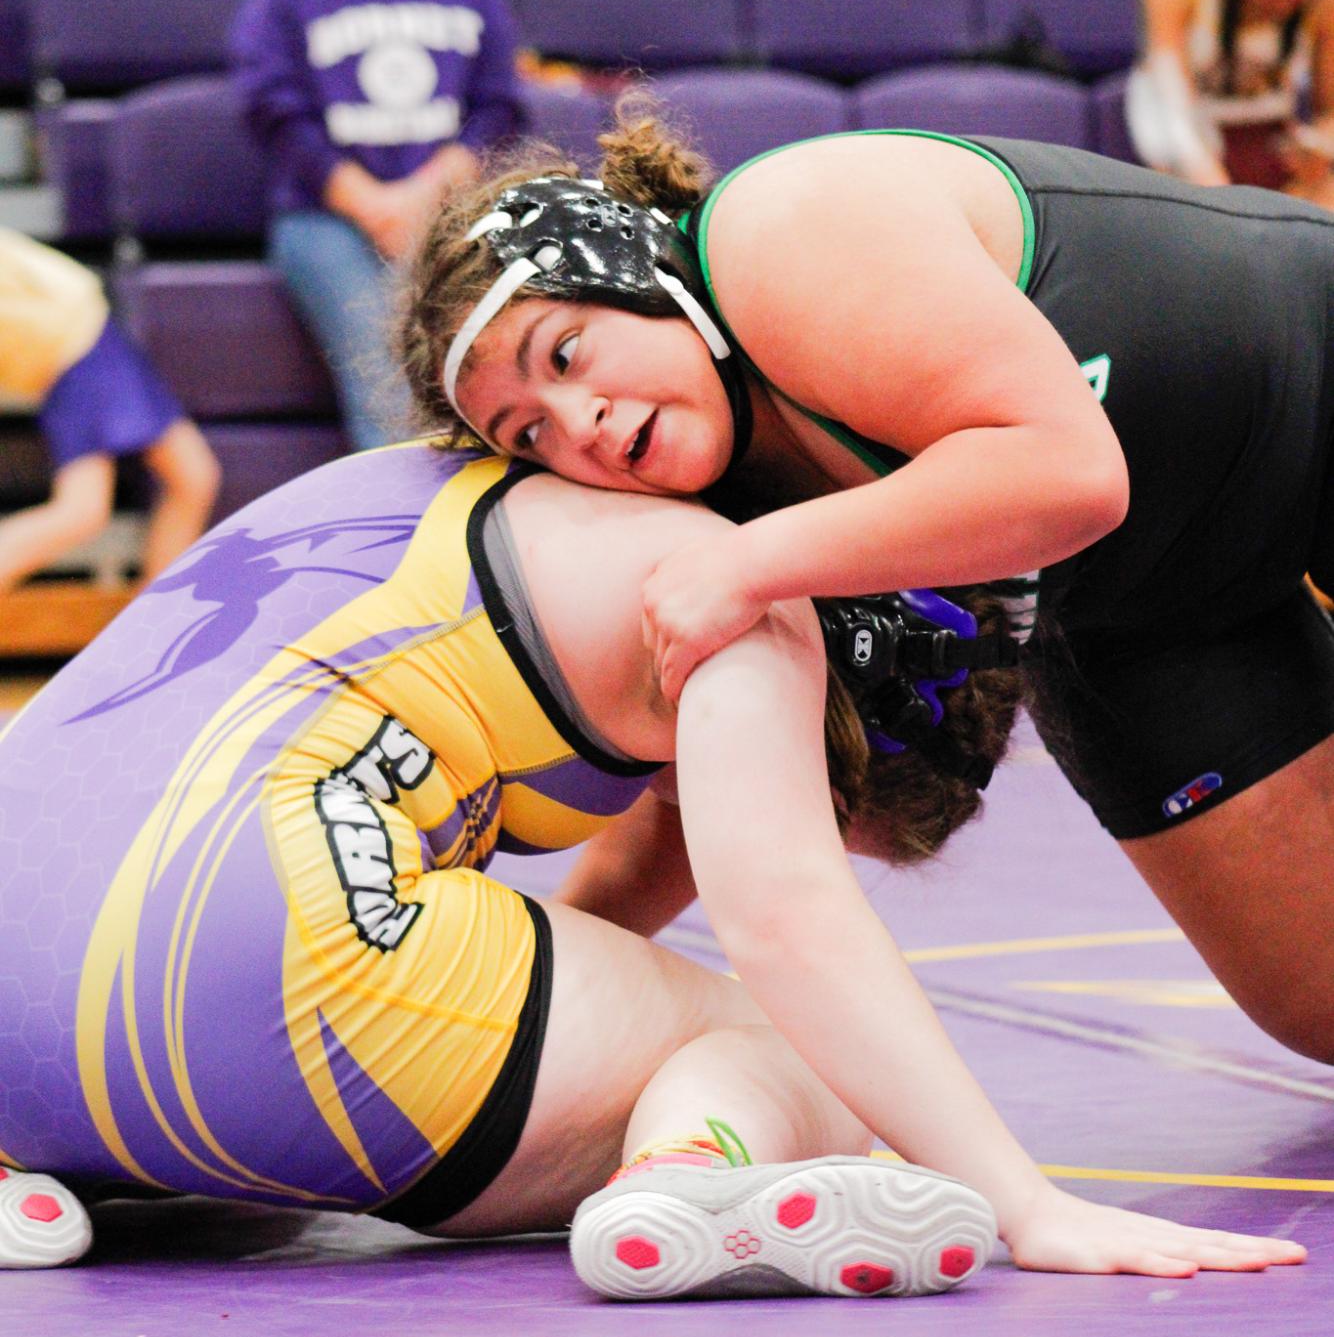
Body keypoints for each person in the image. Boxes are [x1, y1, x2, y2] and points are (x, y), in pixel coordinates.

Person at [0, 440, 1297, 1286]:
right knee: (806, 1047)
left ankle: (28, 1172)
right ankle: (693, 1171)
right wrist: (1019, 1200)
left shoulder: (443, 478)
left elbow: (605, 923)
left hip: (20, 981)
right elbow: (781, 916)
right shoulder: (738, 604)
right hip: (251, 966)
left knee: (231, 1152)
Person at [403, 111, 1334, 1079]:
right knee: (1316, 1001)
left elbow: (1071, 476)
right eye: (526, 436)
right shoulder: (701, 507)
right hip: (1146, 612)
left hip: (1303, 384)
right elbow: (714, 798)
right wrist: (523, 989)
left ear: (642, 278)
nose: (575, 425)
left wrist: (753, 563)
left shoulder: (779, 232)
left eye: (563, 355)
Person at [230, 0, 523, 452]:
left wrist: (424, 194)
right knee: (390, 375)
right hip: (325, 218)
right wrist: (369, 203)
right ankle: (406, 549)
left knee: (491, 367)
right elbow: (271, 107)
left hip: (447, 209)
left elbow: (499, 103)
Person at [0, 228, 219, 595]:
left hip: (90, 335)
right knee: (83, 510)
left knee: (192, 476)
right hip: (74, 348)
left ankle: (153, 628)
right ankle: (152, 631)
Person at [1128, 0, 1334, 199]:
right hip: (1185, 135)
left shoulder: (1323, 0)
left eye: (1298, 0)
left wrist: (1319, 143)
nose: (1281, 5)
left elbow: (1329, 114)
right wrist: (1213, 187)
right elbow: (1171, 102)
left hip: (1269, 141)